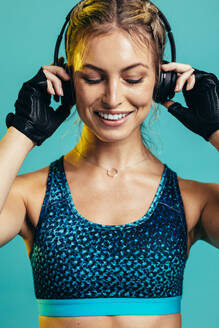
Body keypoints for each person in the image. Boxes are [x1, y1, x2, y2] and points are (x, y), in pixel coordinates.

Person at [1, 0, 219, 327]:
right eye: (92, 78)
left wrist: (217, 129)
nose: (113, 97)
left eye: (133, 78)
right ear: (67, 80)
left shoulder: (191, 201)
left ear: (161, 80)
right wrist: (22, 131)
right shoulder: (28, 196)